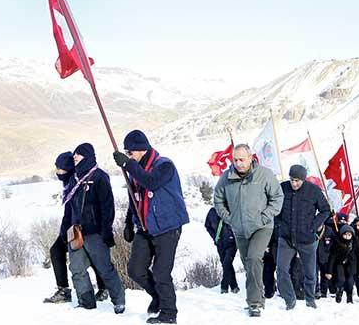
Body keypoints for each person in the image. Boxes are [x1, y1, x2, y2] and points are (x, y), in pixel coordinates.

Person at [113, 130, 190, 324]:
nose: (129, 156)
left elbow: (152, 183)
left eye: (130, 153)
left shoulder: (164, 165)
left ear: (141, 150)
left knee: (161, 272)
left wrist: (128, 165)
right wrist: (129, 222)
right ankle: (157, 296)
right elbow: (134, 198)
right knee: (135, 269)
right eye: (127, 153)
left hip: (167, 227)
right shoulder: (136, 170)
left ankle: (169, 314)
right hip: (146, 228)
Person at [213, 144, 283, 317]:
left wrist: (264, 217)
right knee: (248, 264)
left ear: (250, 157)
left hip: (262, 226)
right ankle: (259, 296)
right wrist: (229, 218)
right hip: (239, 228)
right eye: (235, 159)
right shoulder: (226, 177)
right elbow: (218, 200)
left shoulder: (264, 175)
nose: (238, 163)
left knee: (253, 258)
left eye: (242, 159)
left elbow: (277, 198)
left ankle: (254, 303)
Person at [61, 143, 125, 313]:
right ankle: (86, 301)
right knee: (76, 268)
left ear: (88, 156)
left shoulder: (99, 177)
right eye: (74, 154)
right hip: (76, 233)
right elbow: (69, 207)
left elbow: (107, 206)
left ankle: (119, 301)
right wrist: (65, 229)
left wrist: (107, 231)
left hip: (95, 232)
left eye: (78, 154)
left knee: (104, 268)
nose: (75, 157)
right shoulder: (73, 178)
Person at [44, 152, 108, 304]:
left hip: (85, 228)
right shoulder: (68, 183)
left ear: (68, 169)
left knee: (92, 255)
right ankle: (64, 290)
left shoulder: (78, 182)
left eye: (61, 169)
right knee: (56, 250)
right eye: (57, 168)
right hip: (70, 229)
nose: (57, 172)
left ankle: (104, 289)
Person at [276, 165, 330, 310]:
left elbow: (325, 210)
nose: (294, 184)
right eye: (292, 180)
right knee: (281, 269)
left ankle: (310, 299)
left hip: (307, 239)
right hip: (286, 238)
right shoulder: (282, 188)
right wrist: (279, 225)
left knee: (310, 272)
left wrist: (314, 226)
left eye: (297, 181)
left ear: (304, 179)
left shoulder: (313, 191)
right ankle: (289, 299)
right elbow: (273, 208)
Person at [205, 207, 239, 294]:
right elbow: (207, 226)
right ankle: (234, 287)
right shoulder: (212, 212)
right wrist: (215, 237)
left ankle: (224, 287)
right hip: (220, 244)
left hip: (232, 243)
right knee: (226, 265)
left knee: (226, 263)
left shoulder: (232, 209)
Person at [325, 225, 358, 303]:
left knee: (350, 282)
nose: (347, 237)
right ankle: (339, 291)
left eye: (349, 235)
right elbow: (332, 258)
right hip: (339, 263)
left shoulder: (354, 244)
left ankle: (349, 297)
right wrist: (329, 271)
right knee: (341, 279)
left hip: (350, 264)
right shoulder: (337, 243)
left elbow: (357, 256)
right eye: (345, 234)